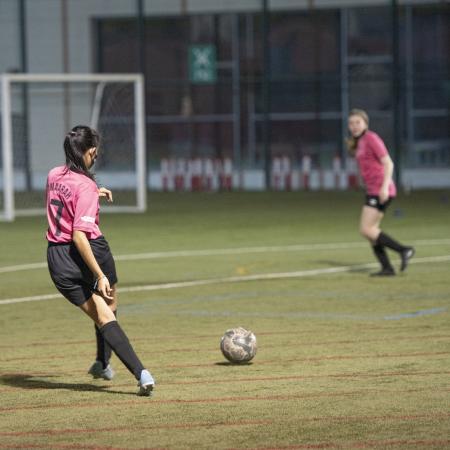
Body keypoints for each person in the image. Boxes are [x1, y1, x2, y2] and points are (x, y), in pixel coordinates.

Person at [46, 125, 155, 396]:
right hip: (89, 250)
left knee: (101, 311)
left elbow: (70, 188)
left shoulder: (53, 175)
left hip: (57, 260)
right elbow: (80, 236)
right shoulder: (85, 187)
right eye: (96, 152)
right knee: (109, 306)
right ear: (91, 151)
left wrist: (95, 189)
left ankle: (105, 364)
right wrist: (100, 274)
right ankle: (130, 370)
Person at [347, 109, 415, 276]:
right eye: (351, 123)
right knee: (372, 230)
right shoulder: (358, 142)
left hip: (381, 190)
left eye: (358, 122)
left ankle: (403, 250)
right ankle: (387, 268)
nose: (354, 126)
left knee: (366, 229)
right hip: (373, 189)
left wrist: (384, 187)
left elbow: (388, 163)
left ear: (365, 124)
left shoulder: (371, 138)